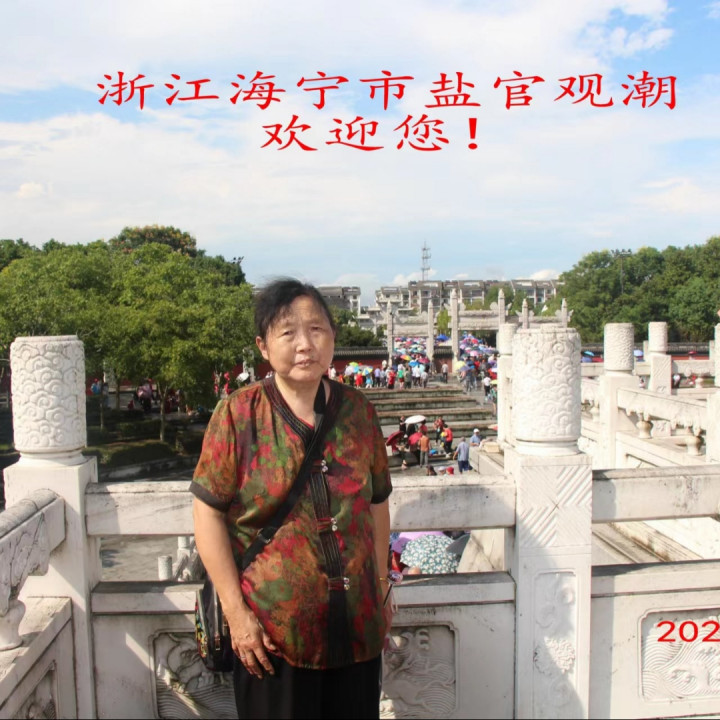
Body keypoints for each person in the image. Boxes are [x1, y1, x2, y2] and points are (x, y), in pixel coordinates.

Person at [191, 279, 392, 720]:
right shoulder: (239, 415)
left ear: (333, 337)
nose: (305, 344)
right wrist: (236, 615)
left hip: (356, 630)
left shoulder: (359, 411)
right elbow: (206, 513)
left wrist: (380, 585)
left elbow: (377, 502)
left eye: (317, 329)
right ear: (263, 346)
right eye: (288, 333)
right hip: (272, 637)